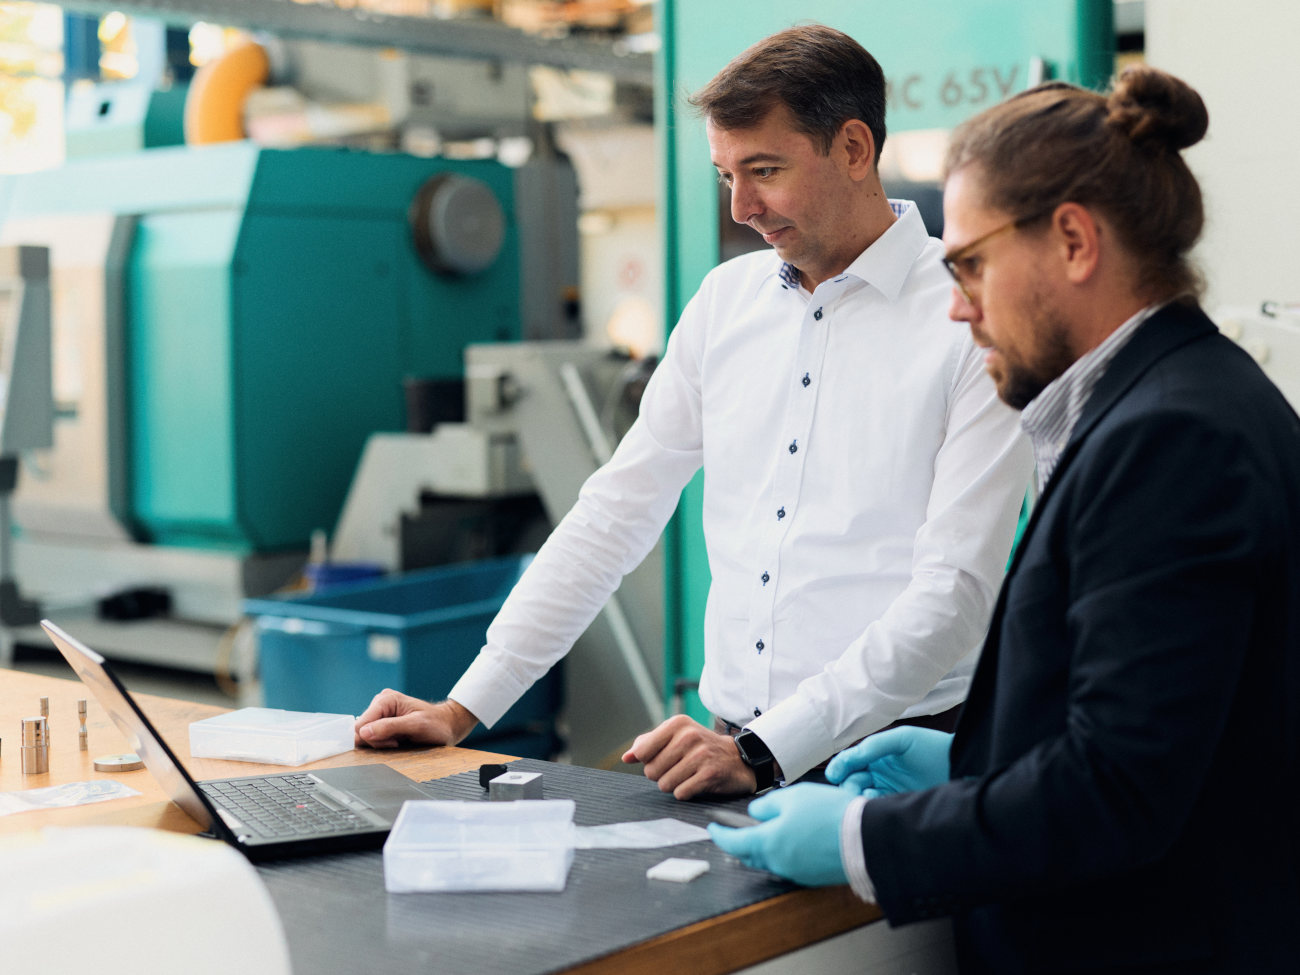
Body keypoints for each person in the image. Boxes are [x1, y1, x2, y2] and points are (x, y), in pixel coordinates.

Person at [709, 65, 1300, 972]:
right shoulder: (1174, 403)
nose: (957, 304)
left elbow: (1119, 791)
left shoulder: (1171, 437)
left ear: (1072, 240)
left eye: (971, 264)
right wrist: (982, 763)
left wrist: (870, 837)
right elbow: (1167, 727)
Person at [354, 25, 1032, 800]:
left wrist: (770, 748)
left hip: (900, 764)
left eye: (764, 171)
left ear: (853, 149)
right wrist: (464, 705)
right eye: (725, 176)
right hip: (736, 753)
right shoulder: (725, 304)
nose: (742, 207)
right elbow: (616, 512)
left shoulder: (967, 314)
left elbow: (951, 594)